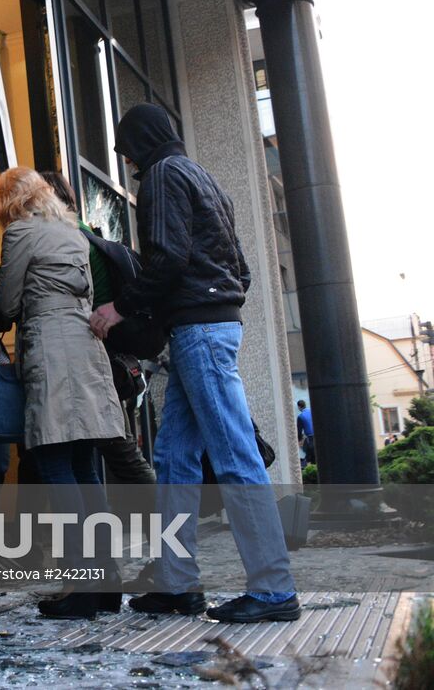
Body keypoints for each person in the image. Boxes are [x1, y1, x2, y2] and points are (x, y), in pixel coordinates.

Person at [91, 104, 300, 624]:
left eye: (126, 149)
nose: (125, 159)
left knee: (234, 456)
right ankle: (177, 583)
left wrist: (120, 307)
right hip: (206, 327)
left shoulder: (163, 176)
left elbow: (166, 258)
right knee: (175, 459)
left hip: (199, 333)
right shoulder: (205, 179)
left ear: (140, 142)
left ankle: (274, 591)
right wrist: (207, 311)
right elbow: (243, 272)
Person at [0, 167, 127, 620]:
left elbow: (8, 306)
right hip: (86, 348)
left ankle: (82, 587)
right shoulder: (73, 233)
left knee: (52, 462)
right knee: (85, 466)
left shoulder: (21, 232)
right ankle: (105, 583)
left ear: (10, 203)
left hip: (50, 349)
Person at [40, 171, 157, 487]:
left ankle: (170, 519)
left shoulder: (68, 241)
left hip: (92, 359)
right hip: (103, 358)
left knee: (118, 449)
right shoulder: (86, 233)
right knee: (89, 452)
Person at [296, 400, 316, 468]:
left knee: (310, 456)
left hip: (310, 438)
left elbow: (299, 431)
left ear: (299, 407)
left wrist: (298, 440)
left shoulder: (300, 417)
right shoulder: (312, 411)